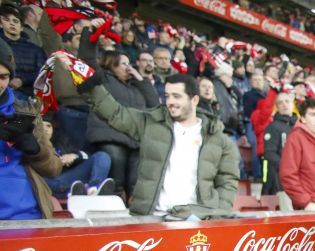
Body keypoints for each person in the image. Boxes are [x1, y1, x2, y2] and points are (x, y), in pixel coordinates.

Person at [72, 64, 239, 215]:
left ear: (194, 100)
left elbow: (228, 181)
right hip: (152, 218)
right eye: (167, 96)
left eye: (177, 96)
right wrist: (90, 85)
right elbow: (115, 113)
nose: (170, 102)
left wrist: (218, 212)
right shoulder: (150, 123)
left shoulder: (218, 138)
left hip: (195, 222)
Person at [80, 50, 159, 199]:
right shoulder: (103, 78)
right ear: (112, 64)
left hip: (135, 141)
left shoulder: (136, 86)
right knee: (116, 183)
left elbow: (154, 104)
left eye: (130, 64)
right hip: (111, 137)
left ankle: (136, 219)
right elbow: (87, 61)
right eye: (124, 64)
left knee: (136, 185)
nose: (128, 68)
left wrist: (140, 79)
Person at [0, 39, 61, 220]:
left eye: (3, 77)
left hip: (29, 217)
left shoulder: (26, 111)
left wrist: (36, 150)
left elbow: (54, 168)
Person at [0, 5, 46, 99]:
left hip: (26, 94)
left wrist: (22, 80)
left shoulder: (36, 50)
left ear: (21, 27)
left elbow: (43, 73)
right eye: (7, 20)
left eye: (15, 21)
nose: (12, 24)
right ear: (1, 24)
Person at [261, 92, 297, 195]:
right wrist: (287, 167)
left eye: (287, 101)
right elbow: (269, 154)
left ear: (292, 104)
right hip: (279, 177)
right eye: (280, 103)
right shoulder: (273, 127)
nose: (285, 105)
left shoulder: (300, 126)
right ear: (276, 107)